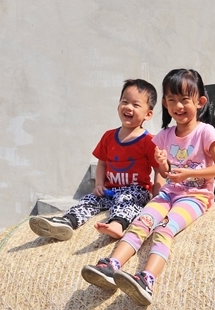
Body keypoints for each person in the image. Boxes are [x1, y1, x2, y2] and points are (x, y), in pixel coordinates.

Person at [81, 68, 215, 306]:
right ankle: (111, 265)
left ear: (200, 102)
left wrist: (191, 173)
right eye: (171, 100)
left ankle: (147, 279)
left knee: (163, 230)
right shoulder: (164, 136)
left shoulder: (205, 131)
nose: (178, 106)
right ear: (165, 104)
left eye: (184, 100)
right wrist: (162, 166)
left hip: (195, 196)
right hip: (170, 193)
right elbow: (165, 173)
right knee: (142, 222)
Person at [30, 79, 161, 241]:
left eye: (136, 105)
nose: (128, 107)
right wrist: (99, 184)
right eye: (124, 102)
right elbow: (102, 163)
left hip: (136, 190)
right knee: (88, 200)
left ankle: (117, 225)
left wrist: (156, 197)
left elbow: (158, 169)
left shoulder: (149, 141)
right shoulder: (108, 137)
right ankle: (67, 222)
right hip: (110, 191)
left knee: (127, 203)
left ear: (148, 114)